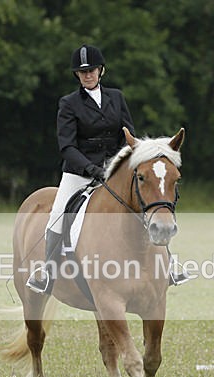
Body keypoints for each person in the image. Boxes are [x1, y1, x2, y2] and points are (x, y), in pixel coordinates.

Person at [26, 45, 190, 293]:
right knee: (58, 215)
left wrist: (120, 165)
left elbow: (128, 135)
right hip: (78, 172)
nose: (87, 75)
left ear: (101, 71)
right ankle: (47, 273)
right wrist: (91, 168)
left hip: (114, 170)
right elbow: (67, 146)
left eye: (91, 70)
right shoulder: (68, 103)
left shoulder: (116, 97)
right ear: (77, 76)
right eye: (82, 72)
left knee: (150, 205)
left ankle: (169, 264)